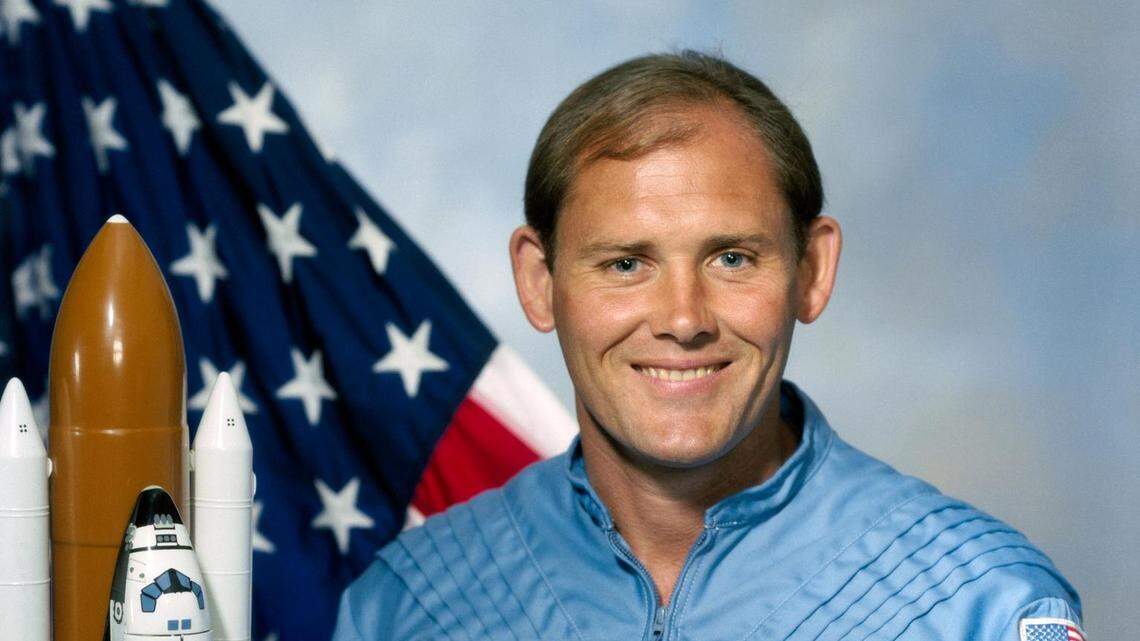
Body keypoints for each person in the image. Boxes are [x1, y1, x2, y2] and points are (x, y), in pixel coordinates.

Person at [332, 51, 1083, 641]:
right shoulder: (409, 606)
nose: (683, 318)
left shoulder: (976, 604)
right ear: (539, 280)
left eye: (732, 258)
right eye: (626, 263)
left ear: (812, 271)